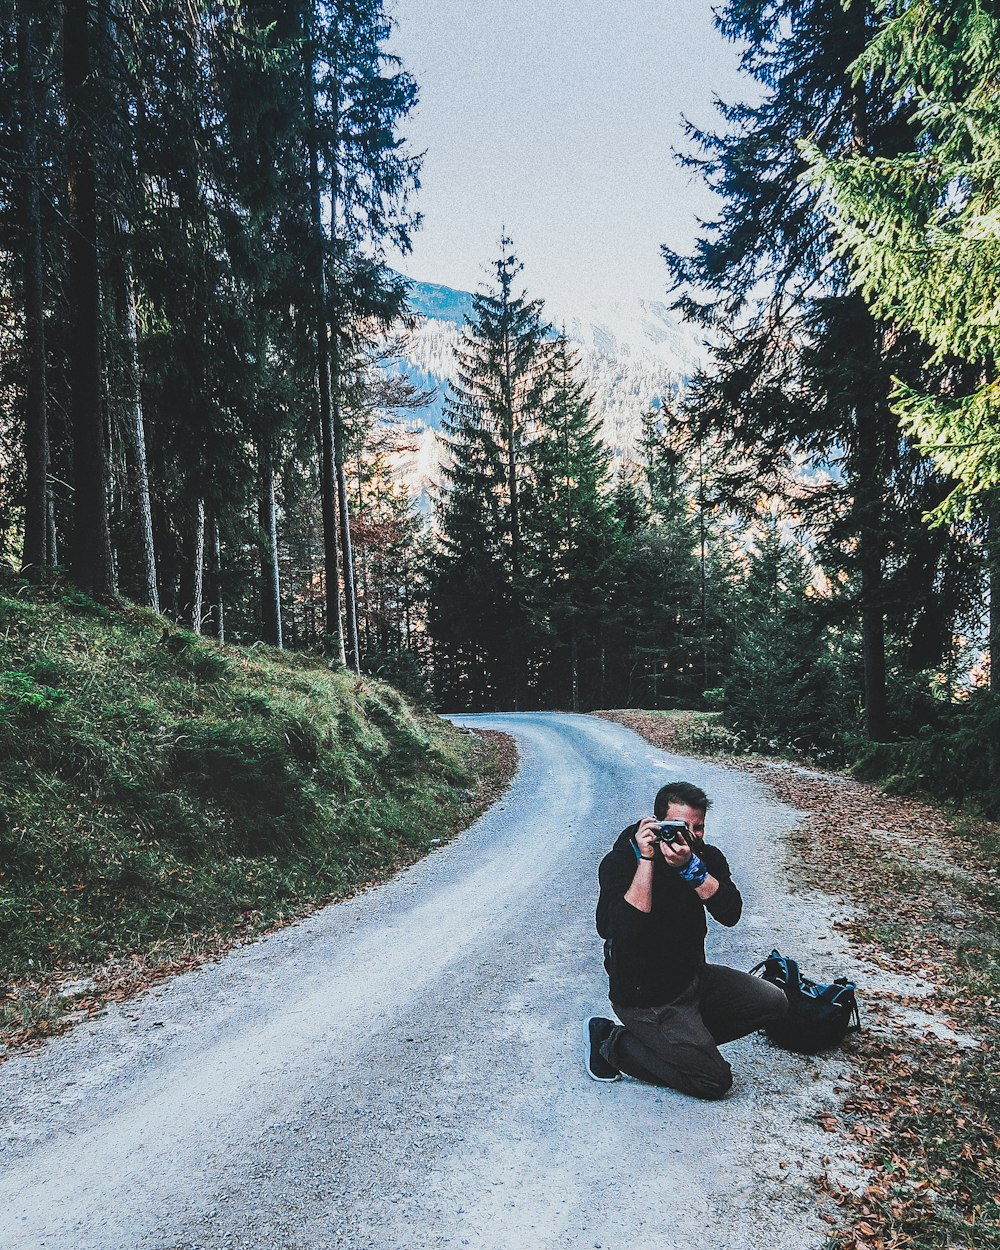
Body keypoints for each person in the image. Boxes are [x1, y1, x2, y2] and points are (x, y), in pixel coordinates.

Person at [586, 780, 786, 1099]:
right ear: (656, 824)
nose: (688, 836)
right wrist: (647, 861)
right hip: (646, 999)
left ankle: (682, 1045)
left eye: (698, 827)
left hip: (692, 980)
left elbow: (730, 913)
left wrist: (691, 870)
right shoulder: (623, 860)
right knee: (714, 1081)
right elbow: (618, 930)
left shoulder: (701, 858)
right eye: (679, 826)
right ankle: (609, 1041)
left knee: (773, 1001)